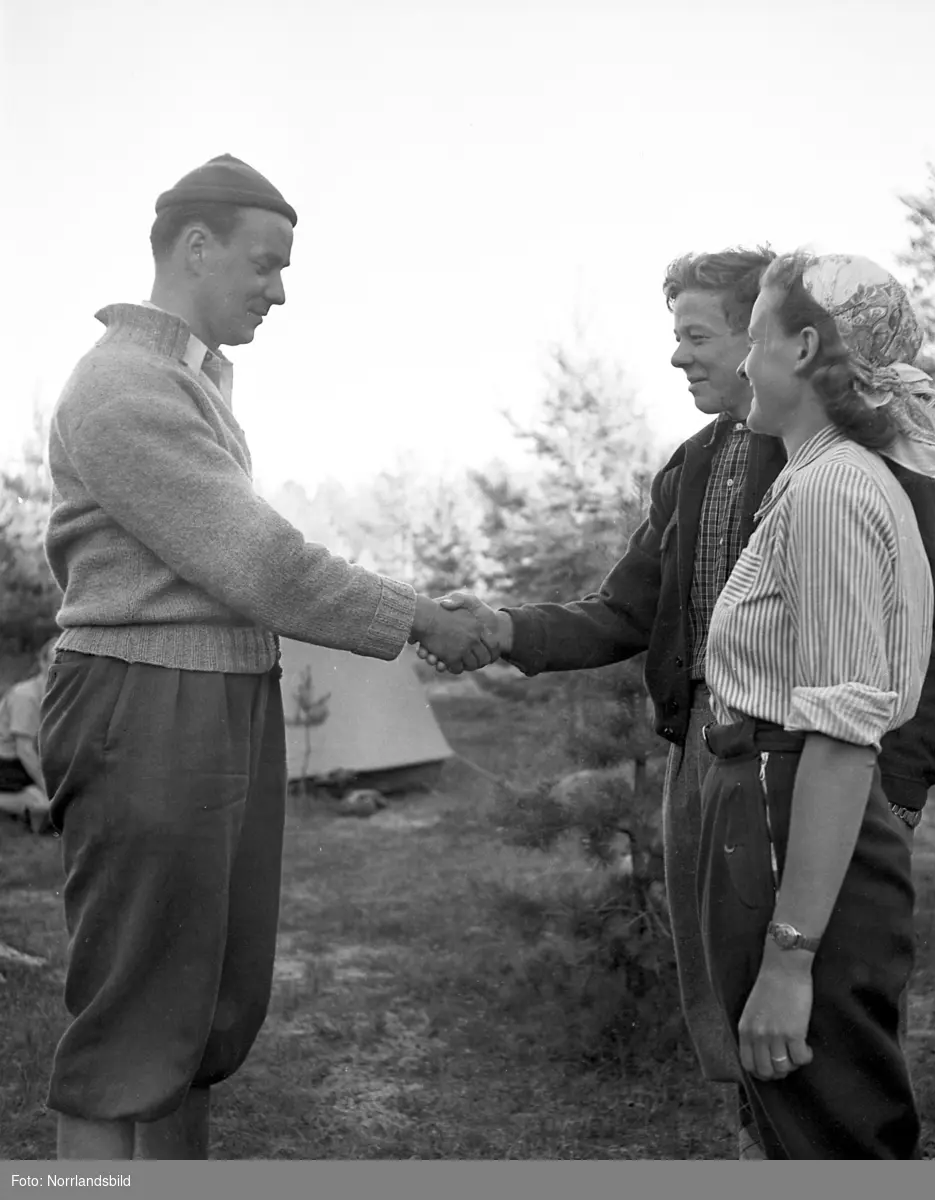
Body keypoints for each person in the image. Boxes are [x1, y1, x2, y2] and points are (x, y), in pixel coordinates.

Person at [419, 246, 935, 1156]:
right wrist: (500, 627)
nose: (683, 356)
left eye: (709, 334)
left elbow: (922, 642)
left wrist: (891, 803)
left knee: (815, 1040)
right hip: (718, 765)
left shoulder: (841, 474)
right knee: (745, 1029)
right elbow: (625, 610)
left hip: (806, 777)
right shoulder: (695, 466)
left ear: (791, 342)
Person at [39, 153, 491, 1162]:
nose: (279, 290)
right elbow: (257, 561)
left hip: (213, 693)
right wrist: (420, 615)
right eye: (265, 263)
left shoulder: (183, 382)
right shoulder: (123, 385)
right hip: (146, 698)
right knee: (136, 1010)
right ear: (194, 247)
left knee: (202, 1007)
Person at [696, 250, 935, 1159]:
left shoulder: (831, 492)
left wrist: (790, 960)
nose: (743, 363)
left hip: (797, 821)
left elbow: (840, 740)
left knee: (827, 1129)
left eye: (754, 339)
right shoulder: (822, 476)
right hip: (778, 809)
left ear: (805, 347)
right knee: (801, 1122)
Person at [0, 635, 58, 834]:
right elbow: (24, 751)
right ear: (42, 663)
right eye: (54, 662)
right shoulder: (25, 697)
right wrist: (49, 790)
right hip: (7, 762)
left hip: (29, 760)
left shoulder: (58, 696)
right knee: (44, 806)